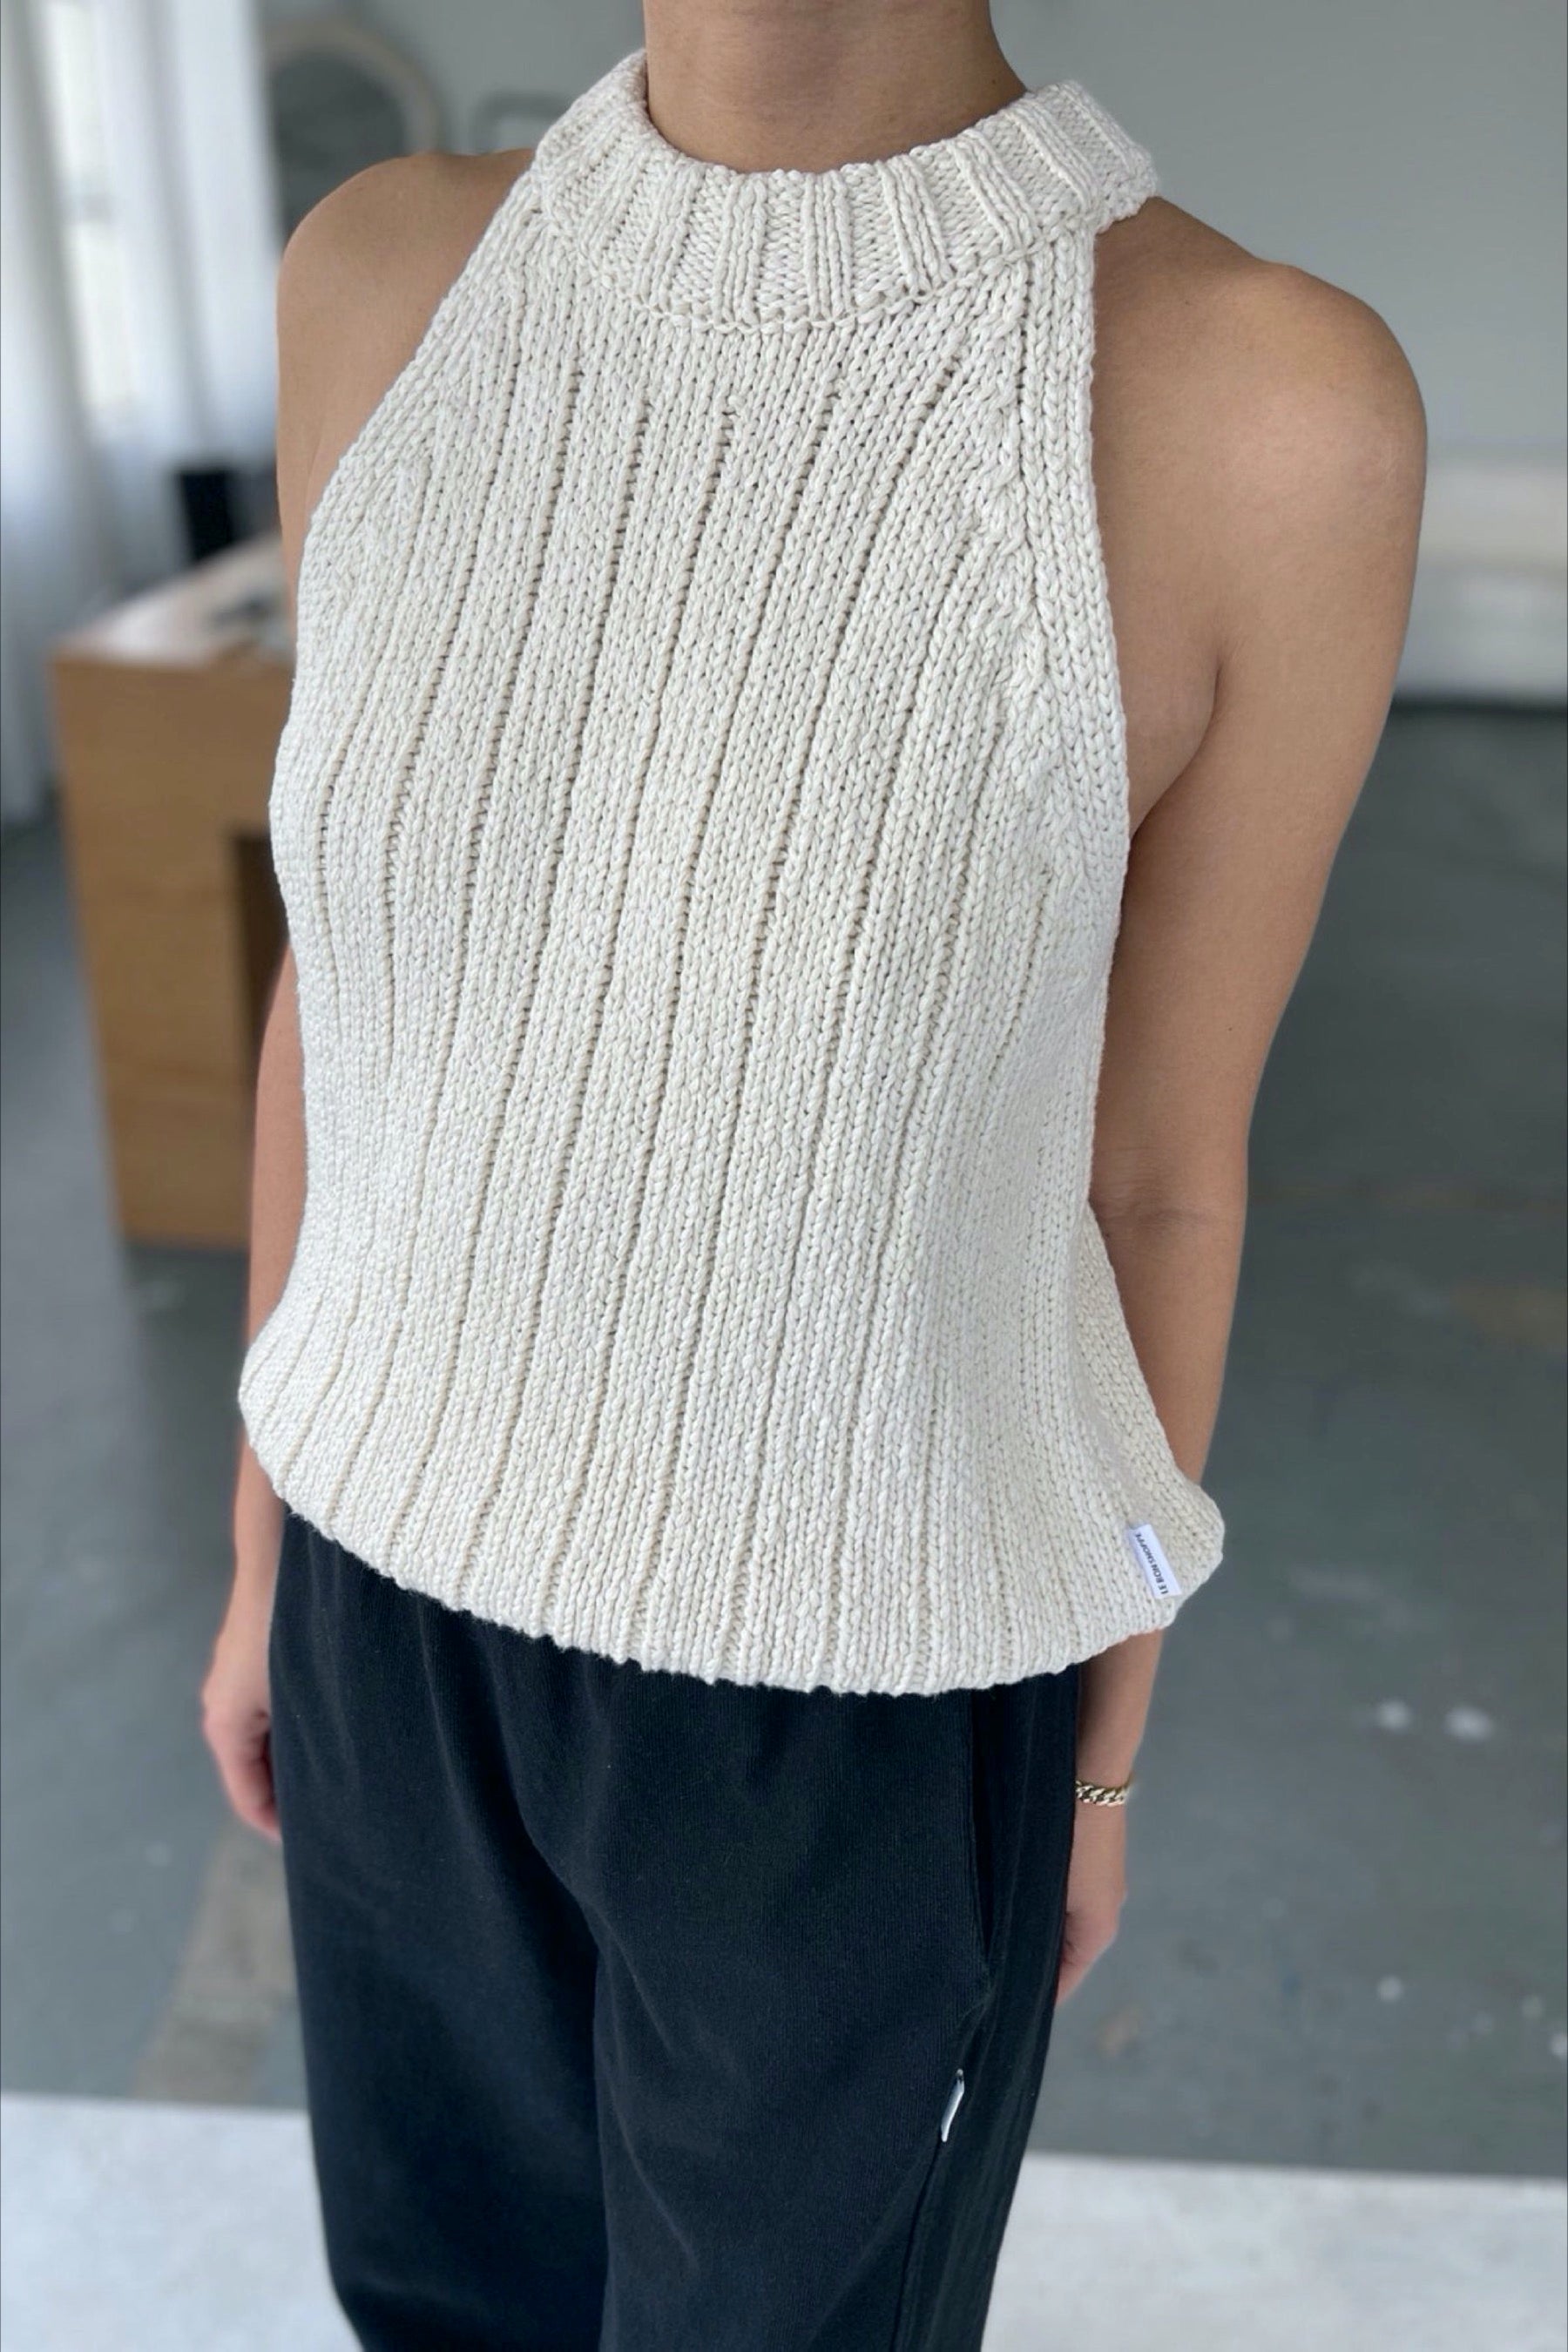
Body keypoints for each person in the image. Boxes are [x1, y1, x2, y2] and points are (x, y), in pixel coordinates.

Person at [201, 5, 1425, 2345]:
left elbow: (1161, 1167)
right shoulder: (380, 271)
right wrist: (266, 1547)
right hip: (379, 1596)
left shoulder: (1268, 405)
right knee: (441, 2309)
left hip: (857, 1694)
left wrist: (1094, 1768)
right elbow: (341, 996)